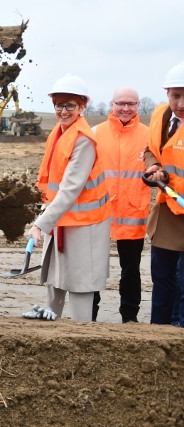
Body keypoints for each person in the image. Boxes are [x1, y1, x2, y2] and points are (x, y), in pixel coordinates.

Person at [23, 74, 112, 322]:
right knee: (56, 275)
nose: (63, 111)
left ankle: (80, 333)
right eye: (59, 105)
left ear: (82, 106)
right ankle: (53, 330)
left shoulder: (83, 140)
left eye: (70, 105)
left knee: (81, 281)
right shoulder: (61, 133)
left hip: (86, 223)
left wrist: (41, 224)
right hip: (63, 217)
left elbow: (70, 188)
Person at [91, 87, 150, 323]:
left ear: (138, 106)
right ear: (111, 104)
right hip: (99, 212)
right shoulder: (96, 133)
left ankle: (129, 316)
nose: (126, 108)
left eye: (131, 104)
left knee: (131, 269)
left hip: (133, 212)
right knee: (94, 267)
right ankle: (90, 314)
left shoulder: (149, 135)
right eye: (121, 103)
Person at [143, 61, 184, 327]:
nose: (180, 103)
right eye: (175, 96)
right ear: (167, 94)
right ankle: (157, 335)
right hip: (168, 212)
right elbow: (150, 151)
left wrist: (167, 178)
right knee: (162, 278)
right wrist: (153, 167)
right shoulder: (160, 115)